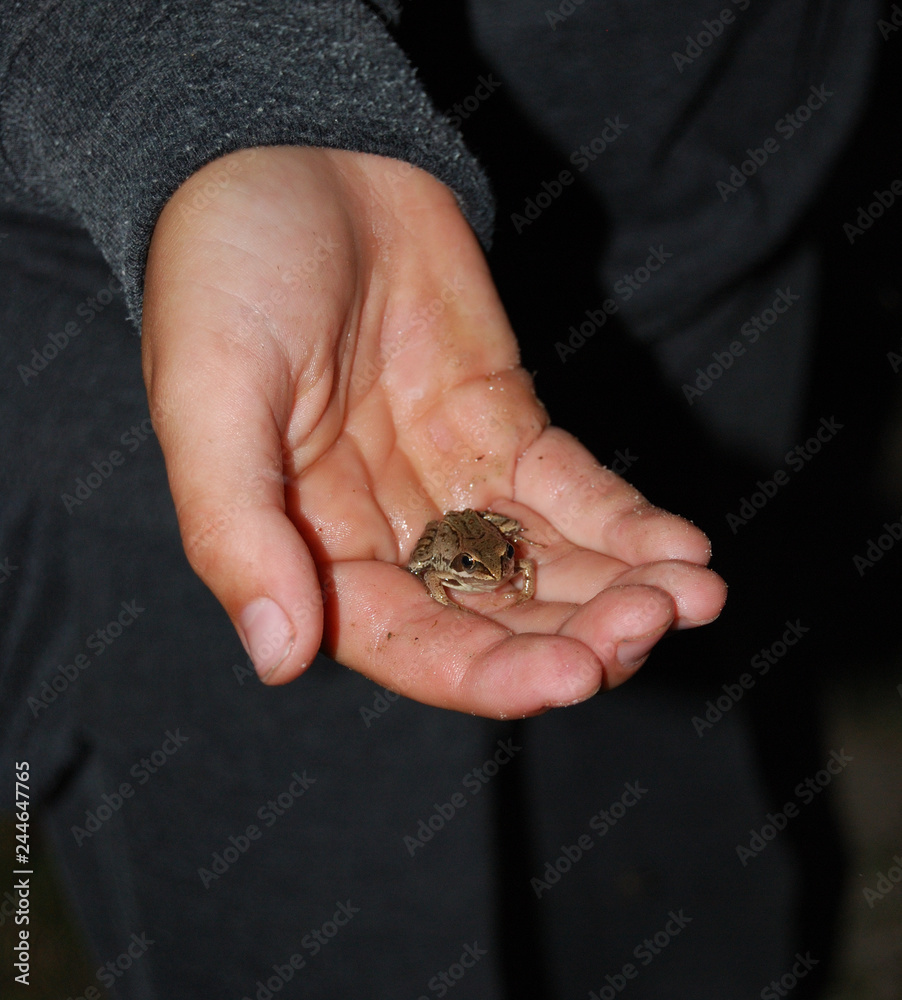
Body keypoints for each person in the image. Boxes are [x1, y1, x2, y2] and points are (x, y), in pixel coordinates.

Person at [0, 1, 878, 996]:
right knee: (318, 920)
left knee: (676, 847)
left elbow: (495, 539)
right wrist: (218, 93)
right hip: (176, 335)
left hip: (699, 178)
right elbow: (441, 553)